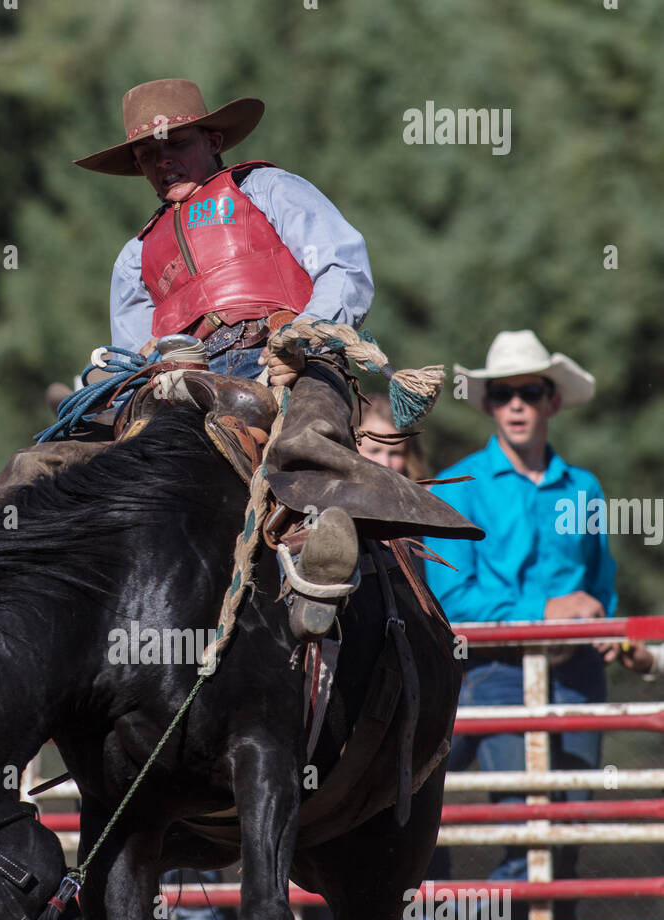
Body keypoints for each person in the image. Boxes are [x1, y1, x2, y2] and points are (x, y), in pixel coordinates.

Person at [70, 79, 481, 638]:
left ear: (213, 138)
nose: (162, 161)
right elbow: (129, 345)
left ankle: (317, 547)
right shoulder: (135, 254)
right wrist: (133, 370)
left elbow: (343, 266)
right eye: (147, 154)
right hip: (182, 381)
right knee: (85, 460)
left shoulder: (266, 188)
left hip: (283, 355)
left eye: (176, 144)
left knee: (308, 425)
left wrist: (304, 339)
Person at [425, 330, 618, 920]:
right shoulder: (459, 486)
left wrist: (607, 631)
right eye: (503, 393)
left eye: (528, 392)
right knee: (523, 823)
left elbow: (601, 588)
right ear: (487, 405)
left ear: (551, 401)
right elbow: (452, 600)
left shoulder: (583, 489)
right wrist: (547, 612)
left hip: (578, 671)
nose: (516, 404)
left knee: (568, 827)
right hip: (497, 671)